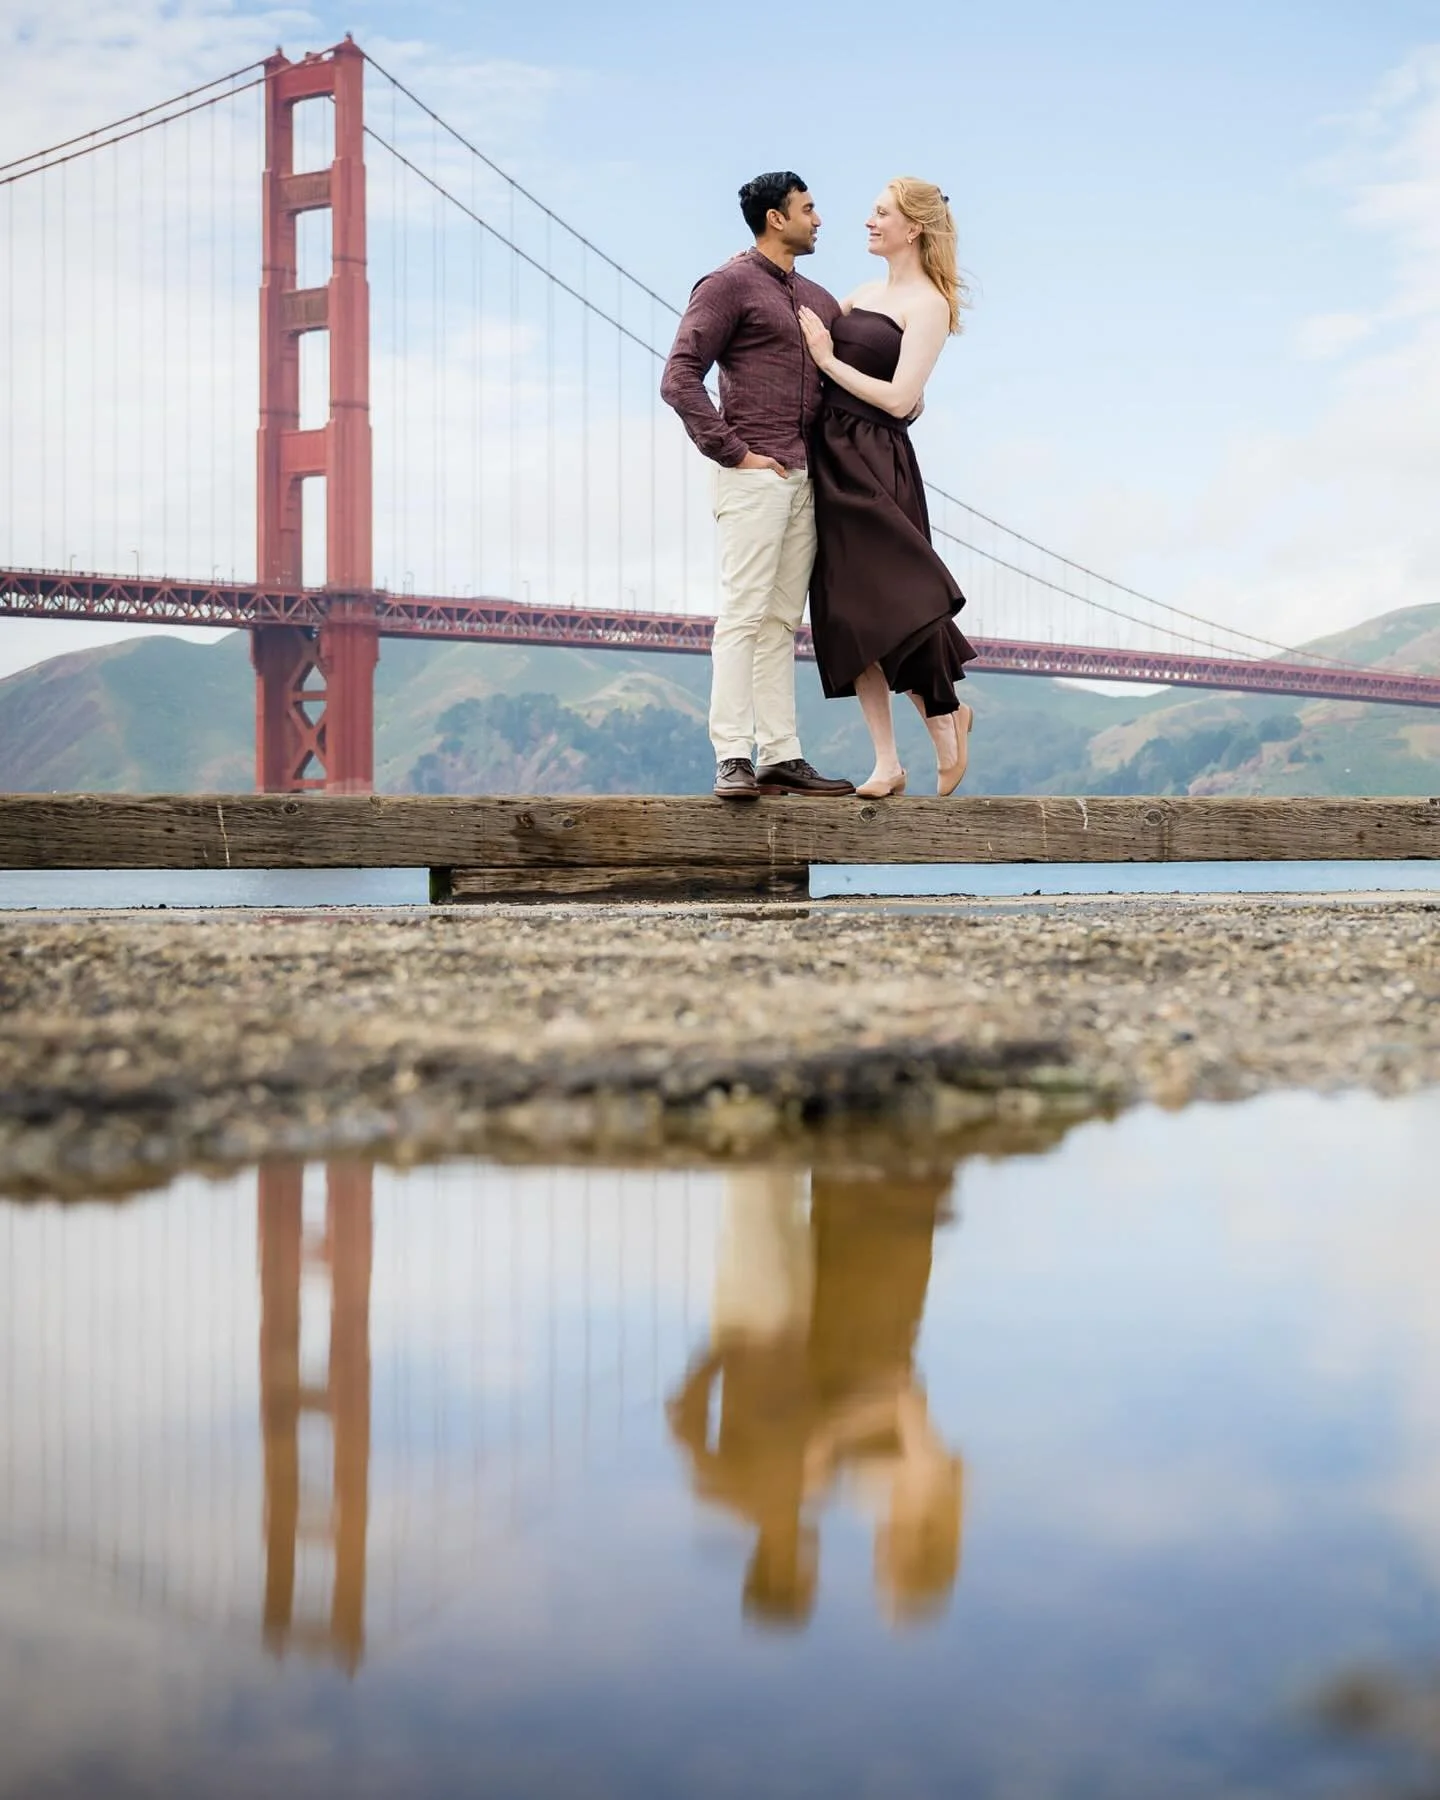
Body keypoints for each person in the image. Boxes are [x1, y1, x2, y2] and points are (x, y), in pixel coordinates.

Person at [661, 173, 856, 802]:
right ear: (776, 218)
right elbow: (679, 377)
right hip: (752, 473)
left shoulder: (819, 300)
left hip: (806, 479)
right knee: (743, 616)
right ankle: (731, 758)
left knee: (779, 623)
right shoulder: (725, 285)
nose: (820, 218)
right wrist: (734, 452)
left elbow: (853, 374)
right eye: (809, 208)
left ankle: (781, 756)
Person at [797, 178, 978, 798]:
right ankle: (887, 763)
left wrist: (828, 360)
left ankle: (948, 712)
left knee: (902, 601)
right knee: (847, 614)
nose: (868, 221)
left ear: (914, 228)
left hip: (878, 461)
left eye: (881, 213)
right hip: (832, 460)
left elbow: (900, 399)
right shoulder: (860, 293)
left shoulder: (928, 304)